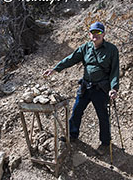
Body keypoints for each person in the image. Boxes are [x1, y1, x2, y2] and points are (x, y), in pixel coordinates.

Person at [43, 21, 119, 155]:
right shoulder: (85, 47)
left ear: (104, 34)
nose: (95, 35)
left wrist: (114, 88)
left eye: (98, 32)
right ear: (89, 34)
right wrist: (55, 69)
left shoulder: (112, 50)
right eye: (93, 32)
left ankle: (105, 143)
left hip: (101, 89)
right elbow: (71, 59)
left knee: (103, 116)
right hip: (85, 86)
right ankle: (72, 135)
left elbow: (114, 71)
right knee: (77, 110)